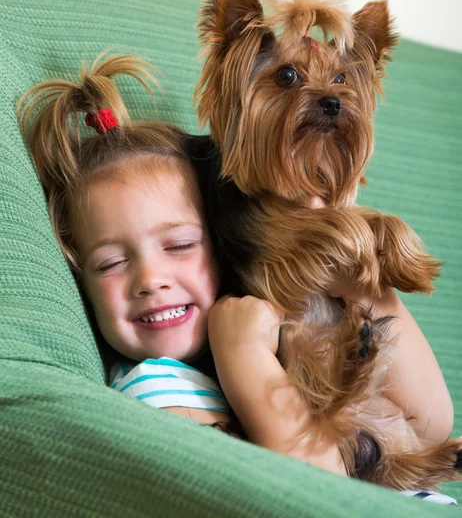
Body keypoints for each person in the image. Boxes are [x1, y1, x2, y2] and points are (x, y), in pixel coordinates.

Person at [17, 52, 455, 488]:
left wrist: (355, 282)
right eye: (111, 263)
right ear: (81, 281)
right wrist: (242, 354)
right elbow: (322, 495)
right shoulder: (159, 390)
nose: (151, 280)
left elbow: (430, 424)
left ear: (221, 247)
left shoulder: (282, 342)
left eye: (180, 245)